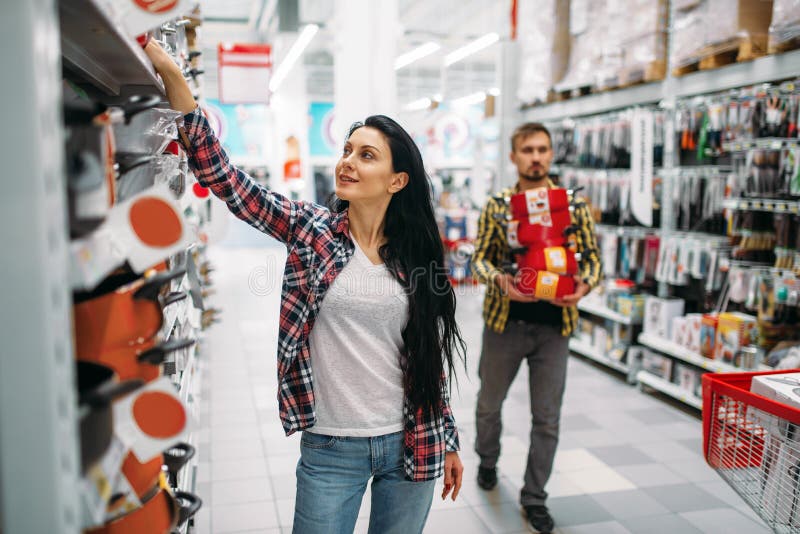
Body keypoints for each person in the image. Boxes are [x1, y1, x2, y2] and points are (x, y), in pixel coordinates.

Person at [144, 41, 466, 534]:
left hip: (413, 439)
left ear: (397, 180)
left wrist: (449, 439)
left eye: (366, 155)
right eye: (346, 151)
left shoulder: (417, 254)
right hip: (331, 446)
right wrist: (172, 75)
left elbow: (428, 356)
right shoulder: (311, 230)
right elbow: (229, 183)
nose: (346, 162)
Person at [471, 123, 601, 534]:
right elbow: (480, 260)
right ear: (514, 156)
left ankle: (534, 497)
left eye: (542, 149)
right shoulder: (498, 206)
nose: (536, 157)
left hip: (554, 328)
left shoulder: (572, 207)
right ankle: (487, 459)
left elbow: (593, 260)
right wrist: (500, 281)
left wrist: (586, 283)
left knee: (547, 418)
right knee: (489, 404)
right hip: (504, 323)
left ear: (551, 154)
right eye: (527, 149)